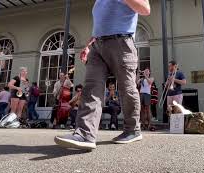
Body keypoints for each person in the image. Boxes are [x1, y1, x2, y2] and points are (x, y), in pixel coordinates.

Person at [54, 0, 151, 150]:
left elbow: (145, 9)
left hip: (122, 42)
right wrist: (89, 44)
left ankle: (133, 130)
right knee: (91, 87)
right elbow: (101, 22)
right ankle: (85, 134)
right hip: (98, 45)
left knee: (127, 88)